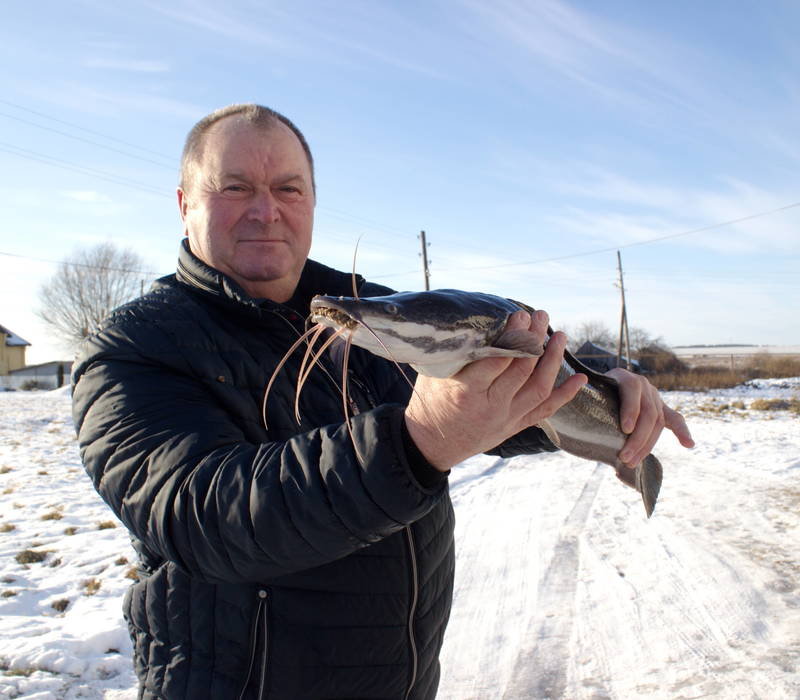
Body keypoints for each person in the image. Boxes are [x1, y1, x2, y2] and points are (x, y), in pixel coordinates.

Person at [71, 103, 694, 700]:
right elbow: (201, 517)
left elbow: (482, 409)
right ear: (185, 206)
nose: (267, 212)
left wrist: (607, 394)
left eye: (289, 189)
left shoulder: (370, 313)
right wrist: (418, 442)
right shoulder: (132, 348)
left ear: (312, 204)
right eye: (234, 188)